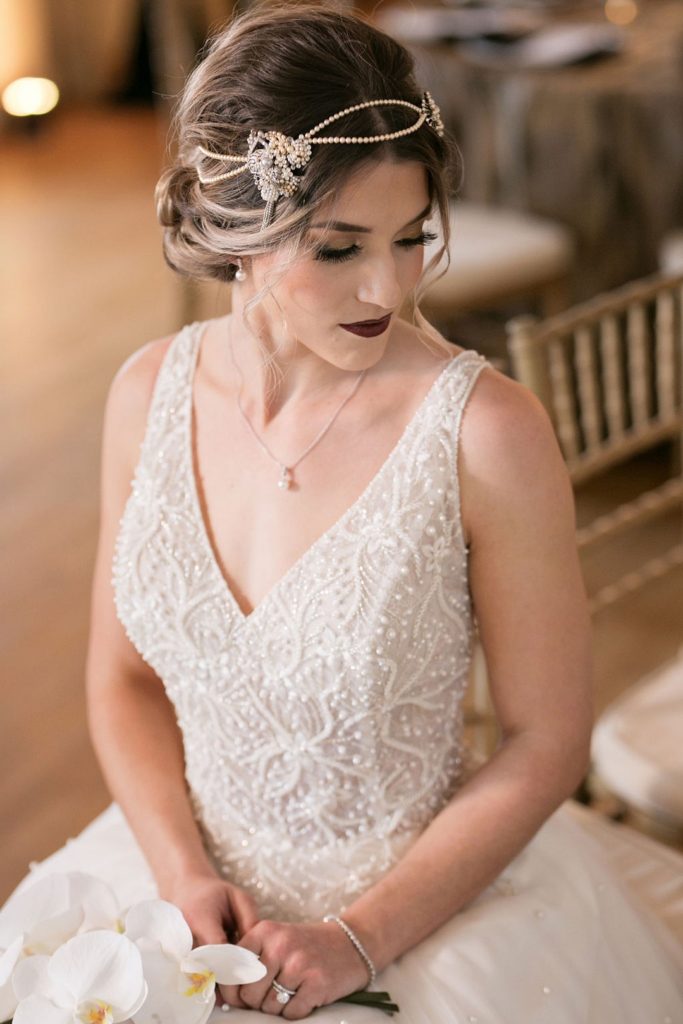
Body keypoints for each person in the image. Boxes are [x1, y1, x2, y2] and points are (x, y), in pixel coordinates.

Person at [10, 4, 683, 1022]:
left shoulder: (483, 431)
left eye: (409, 237)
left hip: (423, 916)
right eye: (337, 248)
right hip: (184, 884)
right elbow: (124, 678)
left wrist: (357, 939)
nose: (386, 285)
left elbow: (545, 739)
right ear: (237, 230)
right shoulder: (145, 395)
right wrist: (180, 876)